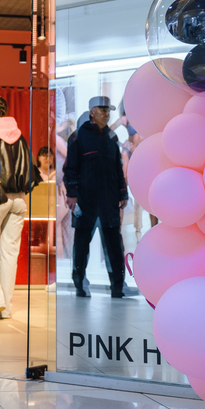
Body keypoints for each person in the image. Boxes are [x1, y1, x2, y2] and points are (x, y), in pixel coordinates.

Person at [63, 96, 129, 298]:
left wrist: (122, 192)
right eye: (103, 110)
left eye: (108, 111)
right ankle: (80, 284)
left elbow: (118, 168)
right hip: (85, 201)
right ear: (92, 112)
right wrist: (72, 194)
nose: (107, 114)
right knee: (82, 245)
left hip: (109, 200)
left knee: (114, 245)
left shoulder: (111, 137)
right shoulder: (78, 137)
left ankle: (118, 287)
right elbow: (70, 168)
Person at [0, 96, 36, 319]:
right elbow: (31, 170)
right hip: (19, 199)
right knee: (10, 254)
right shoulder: (19, 135)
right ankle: (6, 309)